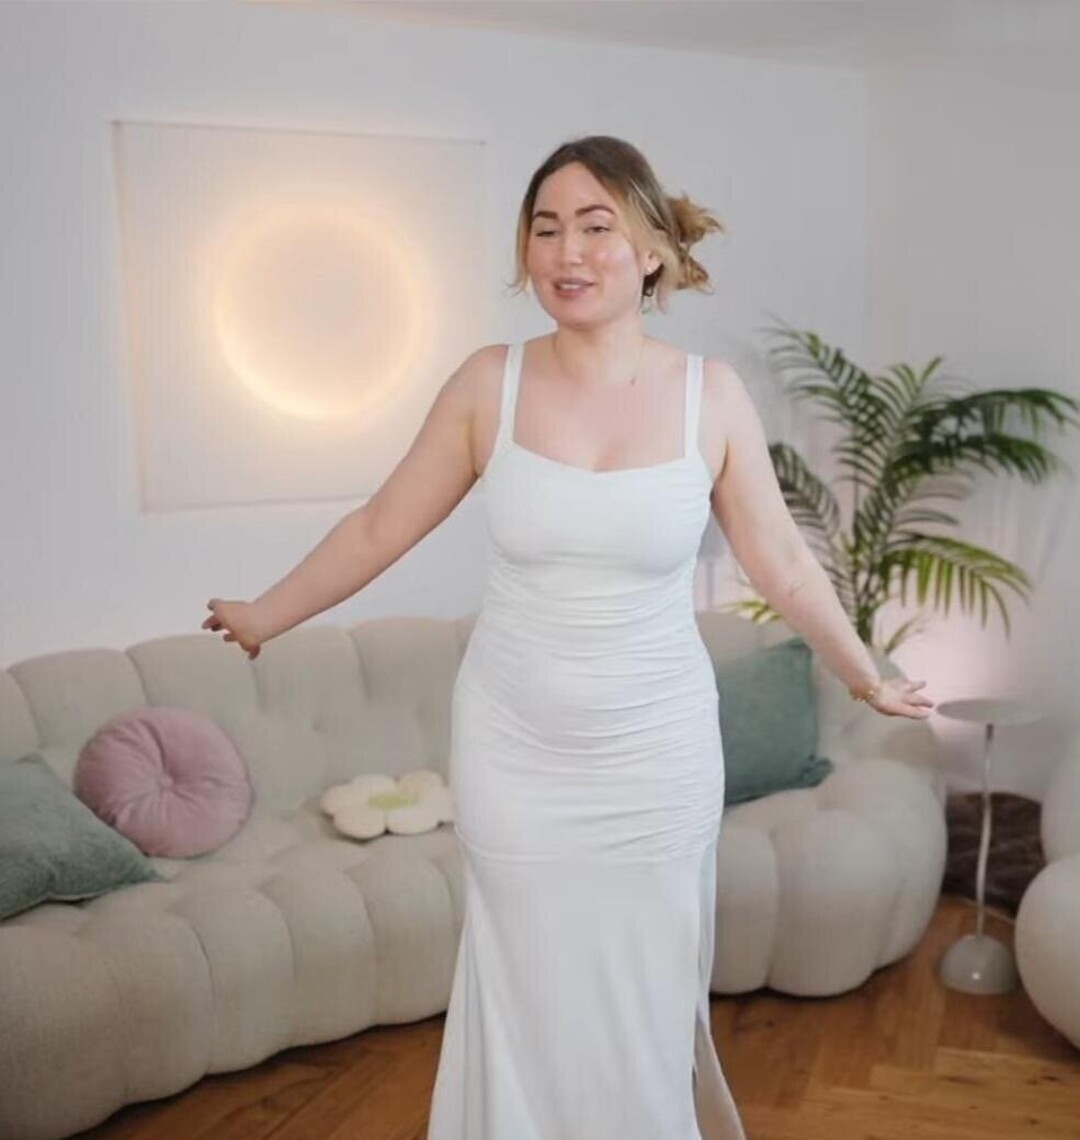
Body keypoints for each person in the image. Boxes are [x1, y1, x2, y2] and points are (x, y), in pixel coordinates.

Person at [203, 134, 934, 1140]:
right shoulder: (487, 385)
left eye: (597, 227)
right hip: (516, 750)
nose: (568, 252)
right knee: (527, 987)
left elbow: (783, 561)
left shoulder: (710, 395)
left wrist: (862, 675)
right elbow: (379, 527)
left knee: (639, 995)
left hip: (656, 757)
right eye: (545, 229)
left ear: (652, 249)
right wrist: (265, 614)